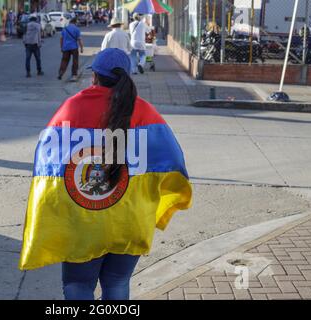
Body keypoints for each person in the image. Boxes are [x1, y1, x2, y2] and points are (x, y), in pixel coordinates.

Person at [19, 48, 192, 300]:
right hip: (129, 221)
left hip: (83, 223)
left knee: (78, 284)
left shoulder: (72, 107)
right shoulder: (145, 112)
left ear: (94, 77)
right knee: (117, 283)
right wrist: (163, 203)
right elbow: (174, 162)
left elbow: (46, 162)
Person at [58, 17, 84, 82]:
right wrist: (81, 48)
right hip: (74, 47)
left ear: (70, 22)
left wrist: (61, 47)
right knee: (75, 61)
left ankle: (61, 72)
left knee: (64, 60)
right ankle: (74, 75)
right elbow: (79, 40)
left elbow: (61, 39)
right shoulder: (76, 29)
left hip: (66, 47)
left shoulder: (65, 29)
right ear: (75, 22)